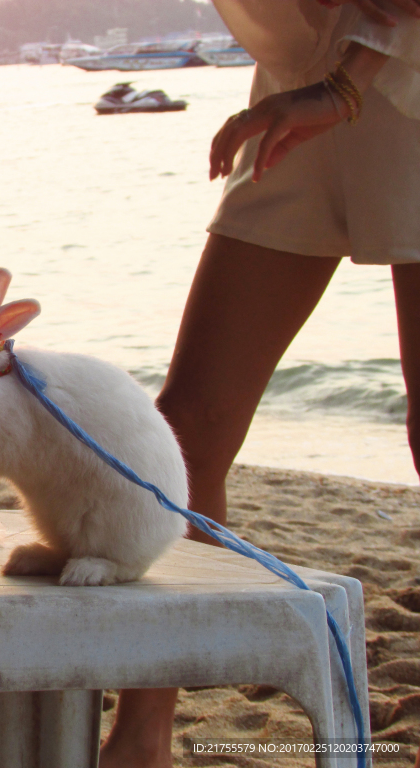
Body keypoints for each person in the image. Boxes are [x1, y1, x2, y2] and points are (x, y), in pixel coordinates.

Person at [98, 1, 420, 765]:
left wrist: (346, 85)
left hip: (399, 79)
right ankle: (141, 737)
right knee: (185, 432)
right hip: (301, 81)